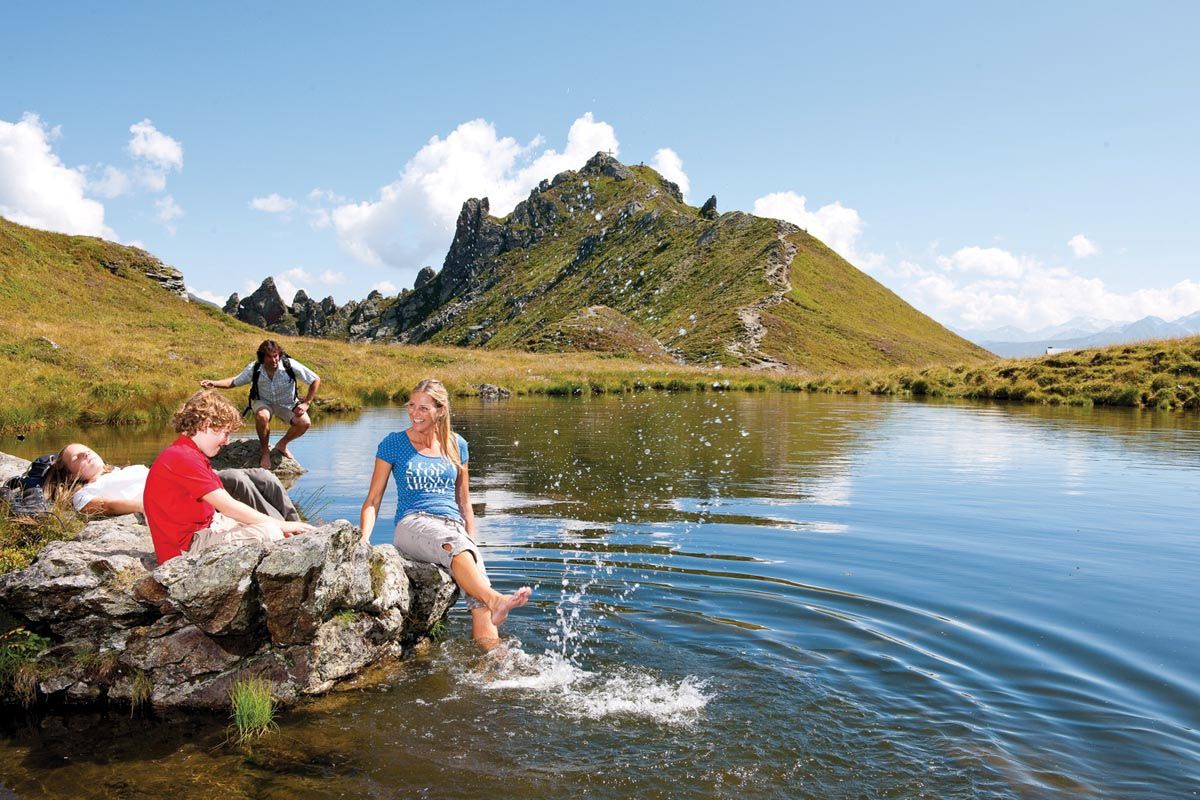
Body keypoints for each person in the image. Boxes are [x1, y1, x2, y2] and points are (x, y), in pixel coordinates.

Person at [361, 378, 531, 645]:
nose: (415, 413)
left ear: (441, 410)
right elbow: (373, 500)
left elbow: (464, 502)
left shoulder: (457, 445)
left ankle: (493, 667)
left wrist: (472, 541)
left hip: (454, 528)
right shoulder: (393, 443)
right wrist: (363, 540)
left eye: (424, 408)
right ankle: (496, 598)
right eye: (412, 405)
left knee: (480, 602)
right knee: (470, 568)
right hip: (413, 523)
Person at [144, 390, 312, 564]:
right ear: (206, 424)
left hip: (207, 528)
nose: (227, 441)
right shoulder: (183, 458)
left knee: (271, 526)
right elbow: (228, 507)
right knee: (271, 532)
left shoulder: (190, 453)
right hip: (187, 548)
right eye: (226, 433)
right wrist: (282, 525)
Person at [44, 443, 301, 522]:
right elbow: (106, 505)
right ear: (69, 474)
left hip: (179, 483)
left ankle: (296, 525)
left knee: (261, 475)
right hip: (168, 499)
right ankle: (284, 533)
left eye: (86, 449)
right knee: (234, 479)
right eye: (77, 457)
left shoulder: (127, 469)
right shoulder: (85, 491)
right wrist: (144, 506)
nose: (86, 454)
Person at [200, 339, 320, 470]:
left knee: (304, 423)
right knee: (262, 416)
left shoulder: (288, 364)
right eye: (269, 357)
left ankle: (282, 445)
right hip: (263, 402)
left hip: (287, 403)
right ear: (262, 357)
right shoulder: (255, 368)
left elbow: (315, 379)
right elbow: (233, 382)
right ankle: (265, 452)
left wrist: (306, 403)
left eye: (276, 356)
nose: (274, 361)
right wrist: (214, 383)